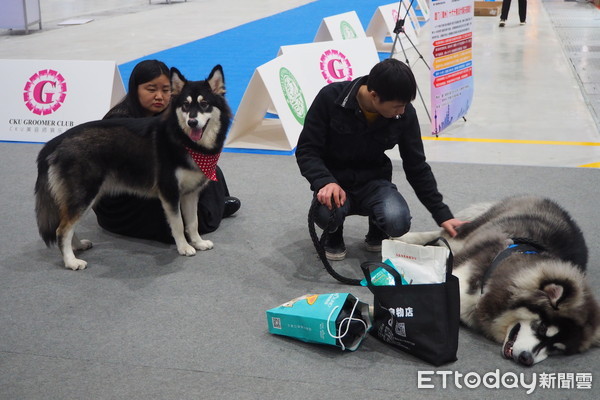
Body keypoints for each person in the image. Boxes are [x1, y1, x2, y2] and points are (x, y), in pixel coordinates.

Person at [296, 58, 465, 261]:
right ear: (374, 95)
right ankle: (334, 232)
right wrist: (324, 181)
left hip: (375, 183)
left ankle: (377, 229)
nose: (402, 112)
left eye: (405, 106)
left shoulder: (403, 114)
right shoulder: (330, 98)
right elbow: (307, 149)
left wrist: (442, 214)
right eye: (397, 107)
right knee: (326, 216)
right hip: (336, 182)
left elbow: (416, 165)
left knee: (398, 221)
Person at [93, 59, 240, 243]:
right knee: (175, 203)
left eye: (166, 90)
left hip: (154, 186)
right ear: (135, 88)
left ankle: (214, 207)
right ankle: (212, 210)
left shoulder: (171, 115)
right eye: (151, 89)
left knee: (208, 171)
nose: (160, 96)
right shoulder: (119, 121)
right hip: (127, 198)